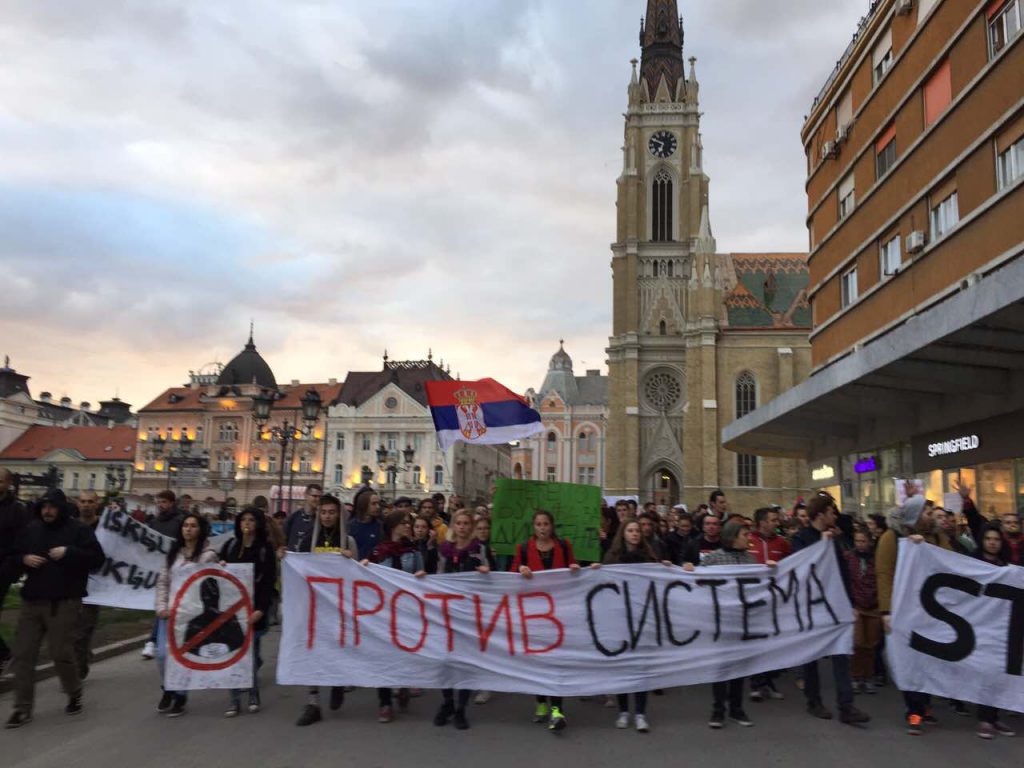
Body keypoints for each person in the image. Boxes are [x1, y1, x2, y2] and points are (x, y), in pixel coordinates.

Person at [3, 489, 104, 729]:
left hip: (64, 602)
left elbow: (97, 558)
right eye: (44, 507)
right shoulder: (31, 530)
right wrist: (23, 559)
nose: (47, 511)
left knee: (61, 653)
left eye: (52, 507)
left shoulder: (77, 530)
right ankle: (22, 708)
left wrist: (69, 552)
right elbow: (13, 555)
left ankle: (73, 691)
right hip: (32, 601)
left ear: (61, 508)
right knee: (23, 655)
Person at [790, 493, 870, 726]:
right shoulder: (802, 539)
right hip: (812, 607)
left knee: (841, 653)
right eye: (831, 512)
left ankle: (846, 705)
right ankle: (813, 701)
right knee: (812, 655)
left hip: (834, 605)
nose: (834, 516)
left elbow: (842, 574)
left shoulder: (834, 540)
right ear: (821, 514)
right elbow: (800, 567)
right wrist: (821, 545)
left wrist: (851, 603)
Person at [876, 493, 949, 735]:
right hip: (903, 611)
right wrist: (886, 611)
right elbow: (884, 574)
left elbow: (950, 564)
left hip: (931, 610)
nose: (931, 517)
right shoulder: (892, 538)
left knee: (928, 660)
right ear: (915, 516)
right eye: (927, 512)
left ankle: (925, 704)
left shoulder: (937, 538)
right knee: (909, 660)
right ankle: (914, 710)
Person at [682, 520, 759, 729]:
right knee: (721, 667)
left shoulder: (750, 559)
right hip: (720, 622)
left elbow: (760, 584)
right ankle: (718, 709)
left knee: (738, 668)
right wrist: (688, 569)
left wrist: (770, 570)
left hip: (742, 622)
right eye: (745, 535)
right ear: (733, 537)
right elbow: (696, 578)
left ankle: (736, 708)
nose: (748, 538)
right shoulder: (714, 558)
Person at [511, 510, 579, 732]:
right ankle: (541, 702)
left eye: (546, 524)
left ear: (552, 526)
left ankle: (557, 709)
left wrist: (576, 570)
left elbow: (574, 570)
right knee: (538, 662)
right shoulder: (522, 549)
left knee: (556, 662)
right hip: (534, 614)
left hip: (559, 612)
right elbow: (510, 577)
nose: (542, 528)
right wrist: (520, 569)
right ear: (533, 527)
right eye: (538, 524)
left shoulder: (563, 545)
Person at [600, 518, 669, 732]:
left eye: (637, 531)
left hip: (642, 617)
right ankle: (623, 711)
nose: (634, 534)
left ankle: (640, 713)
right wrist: (595, 571)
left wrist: (666, 568)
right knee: (623, 667)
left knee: (640, 667)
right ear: (623, 533)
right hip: (620, 618)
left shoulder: (650, 558)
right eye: (630, 530)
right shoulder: (612, 558)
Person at [426, 509, 491, 730]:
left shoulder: (479, 549)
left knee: (465, 661)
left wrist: (486, 572)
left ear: (471, 527)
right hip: (447, 612)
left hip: (470, 614)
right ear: (454, 526)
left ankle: (461, 708)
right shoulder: (444, 550)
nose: (462, 527)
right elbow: (437, 577)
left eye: (466, 523)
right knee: (444, 660)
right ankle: (447, 702)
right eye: (459, 523)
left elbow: (493, 578)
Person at [295, 494, 356, 726]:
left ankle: (338, 680)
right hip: (314, 605)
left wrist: (351, 560)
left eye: (332, 512)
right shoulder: (309, 538)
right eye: (324, 512)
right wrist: (285, 557)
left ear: (339, 514)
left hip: (338, 607)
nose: (327, 516)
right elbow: (298, 565)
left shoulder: (347, 541)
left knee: (336, 648)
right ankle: (313, 702)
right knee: (313, 651)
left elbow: (359, 576)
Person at [364, 510, 426, 722]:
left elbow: (422, 575)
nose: (408, 526)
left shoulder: (414, 551)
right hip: (384, 612)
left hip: (407, 611)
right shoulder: (378, 552)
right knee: (383, 655)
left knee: (405, 653)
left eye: (409, 523)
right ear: (393, 526)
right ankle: (384, 702)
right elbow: (368, 578)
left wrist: (421, 575)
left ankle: (403, 685)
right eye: (404, 523)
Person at [154, 512, 217, 718]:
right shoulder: (173, 554)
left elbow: (213, 584)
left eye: (193, 526)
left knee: (181, 657)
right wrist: (162, 607)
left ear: (200, 530)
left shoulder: (208, 556)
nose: (188, 529)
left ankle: (180, 695)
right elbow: (163, 582)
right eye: (185, 525)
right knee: (163, 654)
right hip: (169, 614)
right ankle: (168, 688)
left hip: (191, 616)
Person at [219, 506, 276, 717]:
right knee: (233, 653)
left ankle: (252, 693)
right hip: (232, 611)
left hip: (254, 609)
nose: (247, 524)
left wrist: (261, 609)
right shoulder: (231, 546)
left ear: (258, 524)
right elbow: (220, 573)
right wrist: (222, 565)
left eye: (251, 520)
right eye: (244, 519)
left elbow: (268, 581)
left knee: (249, 654)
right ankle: (233, 699)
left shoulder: (264, 549)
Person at [972, 523, 1016, 739]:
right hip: (979, 626)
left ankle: (994, 716)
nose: (992, 542)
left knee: (999, 673)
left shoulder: (1008, 567)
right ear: (982, 540)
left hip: (1001, 626)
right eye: (988, 538)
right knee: (986, 672)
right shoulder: (972, 564)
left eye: (996, 539)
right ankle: (985, 718)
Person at [747, 507, 790, 702]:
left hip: (775, 600)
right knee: (756, 644)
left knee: (773, 644)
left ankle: (768, 681)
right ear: (762, 523)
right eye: (773, 520)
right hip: (753, 600)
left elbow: (792, 564)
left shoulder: (782, 543)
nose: (777, 523)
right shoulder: (748, 541)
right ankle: (757, 684)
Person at [844, 527, 880, 695]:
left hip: (873, 605)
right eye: (857, 541)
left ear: (870, 542)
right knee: (857, 643)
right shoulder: (849, 557)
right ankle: (855, 675)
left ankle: (868, 676)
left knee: (870, 645)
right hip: (856, 605)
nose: (859, 544)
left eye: (863, 541)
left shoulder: (877, 558)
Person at [0, 469, 29, 676]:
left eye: (0, 481)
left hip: (3, 568)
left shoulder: (17, 509)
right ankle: (3, 653)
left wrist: (12, 568)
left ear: (8, 483)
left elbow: (21, 542)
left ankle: (4, 654)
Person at [72, 491, 102, 680]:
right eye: (83, 501)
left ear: (96, 504)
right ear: (77, 503)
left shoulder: (107, 526)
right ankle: (82, 657)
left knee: (84, 629)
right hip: (72, 584)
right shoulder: (71, 526)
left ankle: (78, 670)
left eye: (90, 502)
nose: (86, 505)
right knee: (70, 629)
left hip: (97, 586)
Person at [283, 483, 322, 555]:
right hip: (294, 560)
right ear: (306, 495)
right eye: (314, 496)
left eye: (320, 497)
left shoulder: (321, 520)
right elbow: (284, 539)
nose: (318, 499)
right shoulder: (293, 517)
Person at [348, 487, 382, 559]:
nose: (378, 507)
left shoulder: (380, 526)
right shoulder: (350, 526)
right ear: (363, 505)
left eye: (378, 503)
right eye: (373, 504)